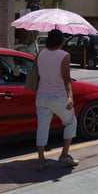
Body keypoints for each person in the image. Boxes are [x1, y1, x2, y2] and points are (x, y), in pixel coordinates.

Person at [35, 29, 78, 170]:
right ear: (60, 41)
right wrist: (70, 97)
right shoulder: (64, 55)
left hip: (41, 96)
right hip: (58, 96)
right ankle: (64, 155)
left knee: (42, 127)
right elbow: (66, 78)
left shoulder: (40, 53)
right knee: (71, 122)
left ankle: (41, 159)